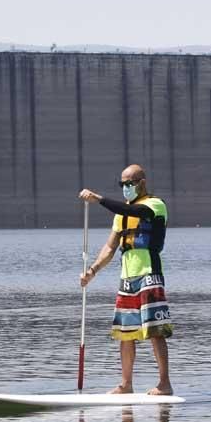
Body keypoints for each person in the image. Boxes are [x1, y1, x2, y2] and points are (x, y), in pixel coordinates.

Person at [78, 164, 173, 395]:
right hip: (127, 278)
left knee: (154, 330)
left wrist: (99, 199)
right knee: (125, 332)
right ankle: (126, 384)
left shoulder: (154, 205)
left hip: (149, 273)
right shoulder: (121, 216)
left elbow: (136, 212)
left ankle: (164, 383)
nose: (126, 188)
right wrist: (92, 271)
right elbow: (110, 247)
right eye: (122, 184)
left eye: (129, 184)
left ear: (142, 182)